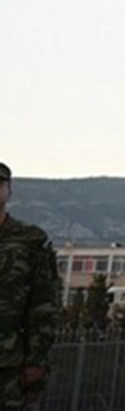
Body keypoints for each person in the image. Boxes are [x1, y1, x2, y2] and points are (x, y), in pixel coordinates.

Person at [0, 163, 59, 411]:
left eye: (0, 183)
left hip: (9, 364)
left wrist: (36, 359)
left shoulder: (30, 239)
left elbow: (45, 303)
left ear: (9, 191)